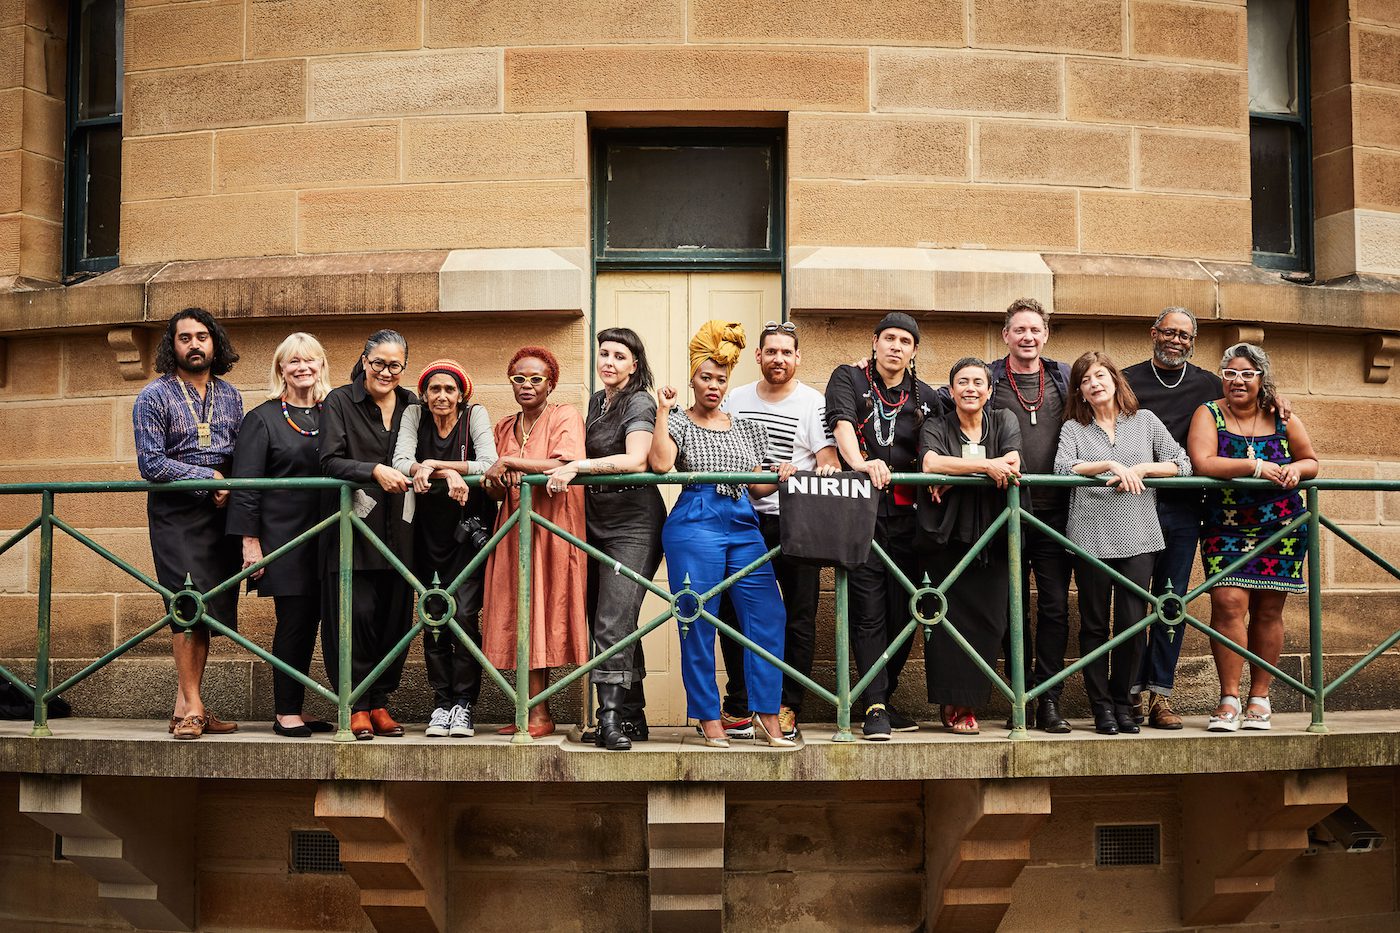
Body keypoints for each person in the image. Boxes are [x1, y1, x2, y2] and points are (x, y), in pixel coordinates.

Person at [649, 321, 794, 749]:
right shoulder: (678, 421)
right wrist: (661, 412)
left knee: (768, 614)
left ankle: (768, 714)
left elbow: (757, 486)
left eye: (720, 379)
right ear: (692, 380)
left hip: (742, 521)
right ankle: (709, 718)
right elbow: (659, 465)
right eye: (705, 378)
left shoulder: (748, 427)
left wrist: (779, 474)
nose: (713, 385)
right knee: (696, 618)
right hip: (695, 518)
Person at [949, 298, 1075, 734]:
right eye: (1019, 330)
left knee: (1056, 607)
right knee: (1011, 607)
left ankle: (1049, 700)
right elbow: (940, 405)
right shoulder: (989, 378)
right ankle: (1018, 693)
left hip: (1056, 515)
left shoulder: (1063, 377)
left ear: (1045, 335)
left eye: (1035, 330)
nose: (1027, 337)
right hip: (1004, 513)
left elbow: (1116, 392)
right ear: (1006, 335)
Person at [1055, 351, 1192, 735]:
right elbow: (1063, 468)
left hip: (1139, 534)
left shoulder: (1144, 422)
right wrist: (1110, 466)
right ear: (1079, 391)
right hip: (1090, 537)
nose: (1094, 384)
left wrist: (1144, 468)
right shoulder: (1074, 429)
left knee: (1133, 624)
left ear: (1116, 381)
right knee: (1094, 625)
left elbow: (1182, 463)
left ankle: (1123, 702)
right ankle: (1101, 708)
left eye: (1100, 376)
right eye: (1085, 380)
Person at [716, 320, 839, 741]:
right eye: (771, 352)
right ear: (759, 357)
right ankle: (740, 704)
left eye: (786, 352)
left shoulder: (812, 402)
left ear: (798, 358)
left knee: (799, 614)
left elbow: (827, 458)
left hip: (796, 520)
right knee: (733, 613)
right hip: (741, 518)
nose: (779, 359)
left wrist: (821, 468)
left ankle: (787, 706)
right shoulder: (737, 398)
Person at [825, 312, 944, 740]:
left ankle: (885, 694)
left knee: (907, 612)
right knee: (869, 610)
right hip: (863, 515)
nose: (896, 346)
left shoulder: (928, 396)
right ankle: (874, 704)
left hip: (911, 521)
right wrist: (859, 463)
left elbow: (947, 435)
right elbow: (840, 422)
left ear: (913, 351)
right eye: (889, 338)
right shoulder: (848, 378)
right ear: (874, 342)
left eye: (905, 341)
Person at [544, 328, 664, 751]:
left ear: (635, 364)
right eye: (603, 353)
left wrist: (578, 465)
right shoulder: (597, 401)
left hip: (634, 523)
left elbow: (636, 459)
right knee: (614, 619)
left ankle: (608, 720)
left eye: (618, 356)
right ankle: (633, 715)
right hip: (594, 519)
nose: (608, 361)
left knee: (612, 620)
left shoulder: (640, 401)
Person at [1188, 343, 1317, 733]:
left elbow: (1311, 459)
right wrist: (1256, 466)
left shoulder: (1283, 417)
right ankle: (1228, 698)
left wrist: (1296, 471)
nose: (1237, 381)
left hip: (1282, 525)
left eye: (1246, 373)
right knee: (1227, 602)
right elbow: (1203, 462)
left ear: (1262, 379)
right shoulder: (1208, 413)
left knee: (1268, 609)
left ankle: (1259, 698)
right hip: (1225, 523)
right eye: (1230, 373)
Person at [134, 308, 245, 740]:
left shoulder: (231, 395)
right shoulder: (153, 396)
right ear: (172, 345)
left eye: (202, 336)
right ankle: (195, 707)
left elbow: (239, 450)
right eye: (185, 338)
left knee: (208, 610)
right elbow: (151, 463)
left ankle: (187, 707)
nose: (194, 344)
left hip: (222, 512)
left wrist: (232, 484)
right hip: (176, 512)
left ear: (214, 342)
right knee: (185, 603)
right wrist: (207, 478)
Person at [227, 332, 335, 738]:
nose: (303, 368)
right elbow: (246, 486)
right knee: (295, 623)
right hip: (284, 540)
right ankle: (286, 710)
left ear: (322, 365)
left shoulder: (333, 412)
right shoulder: (263, 418)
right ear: (281, 369)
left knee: (325, 623)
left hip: (330, 534)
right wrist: (250, 543)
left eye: (310, 360)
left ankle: (304, 705)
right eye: (293, 362)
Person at [1122, 308, 1223, 730]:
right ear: (1154, 333)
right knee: (1129, 603)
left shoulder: (1208, 384)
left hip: (1184, 510)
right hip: (1131, 504)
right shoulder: (1127, 379)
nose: (1176, 340)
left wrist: (1279, 399)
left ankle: (1159, 696)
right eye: (1169, 332)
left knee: (1170, 603)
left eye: (1184, 334)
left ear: (1192, 340)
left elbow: (1246, 405)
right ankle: (1125, 693)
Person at [481, 346, 589, 739]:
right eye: (518, 379)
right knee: (520, 615)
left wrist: (510, 463)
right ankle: (531, 711)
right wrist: (495, 478)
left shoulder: (565, 415)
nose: (527, 386)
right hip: (512, 530)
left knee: (547, 612)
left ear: (551, 384)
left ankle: (544, 713)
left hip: (554, 527)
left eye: (536, 379)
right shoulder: (504, 426)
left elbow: (564, 463)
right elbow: (494, 488)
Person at [392, 359, 498, 740]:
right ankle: (442, 703)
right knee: (433, 617)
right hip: (424, 535)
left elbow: (488, 463)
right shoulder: (413, 416)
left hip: (466, 535)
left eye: (449, 390)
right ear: (424, 393)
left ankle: (465, 704)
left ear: (461, 394)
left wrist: (437, 464)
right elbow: (401, 462)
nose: (441, 396)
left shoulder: (475, 416)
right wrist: (446, 472)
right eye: (434, 389)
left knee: (465, 617)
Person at [319, 330, 416, 741]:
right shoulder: (339, 401)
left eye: (395, 365)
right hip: (354, 531)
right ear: (363, 360)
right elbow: (329, 460)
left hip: (404, 530)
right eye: (378, 363)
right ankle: (355, 704)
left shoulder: (414, 403)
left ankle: (380, 703)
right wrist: (372, 470)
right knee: (353, 617)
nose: (386, 372)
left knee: (396, 618)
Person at [920, 358, 1022, 735]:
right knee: (947, 621)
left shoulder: (1005, 419)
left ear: (990, 390)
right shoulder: (936, 424)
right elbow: (930, 462)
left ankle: (973, 700)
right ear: (950, 390)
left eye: (978, 382)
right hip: (947, 536)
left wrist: (957, 473)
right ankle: (955, 703)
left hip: (994, 534)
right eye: (962, 381)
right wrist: (983, 468)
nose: (971, 388)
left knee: (990, 621)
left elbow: (1012, 461)